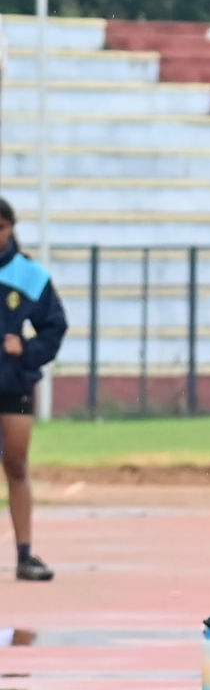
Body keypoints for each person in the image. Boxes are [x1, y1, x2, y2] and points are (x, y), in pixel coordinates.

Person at [0, 198, 67, 581]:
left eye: (1, 229)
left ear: (11, 228)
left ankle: (25, 554)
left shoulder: (30, 276)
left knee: (16, 465)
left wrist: (26, 350)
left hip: (12, 383)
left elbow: (55, 326)